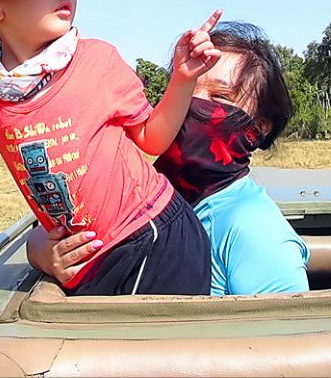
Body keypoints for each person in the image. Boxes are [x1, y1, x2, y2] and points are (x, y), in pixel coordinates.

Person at [0, 0, 220, 296]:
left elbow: (151, 139)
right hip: (84, 262)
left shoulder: (97, 59)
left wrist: (183, 80)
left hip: (153, 236)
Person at [28, 21, 310, 295]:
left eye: (220, 97)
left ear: (259, 128)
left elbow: (288, 335)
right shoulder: (142, 187)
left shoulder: (254, 228)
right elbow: (47, 234)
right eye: (187, 88)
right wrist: (45, 253)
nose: (192, 104)